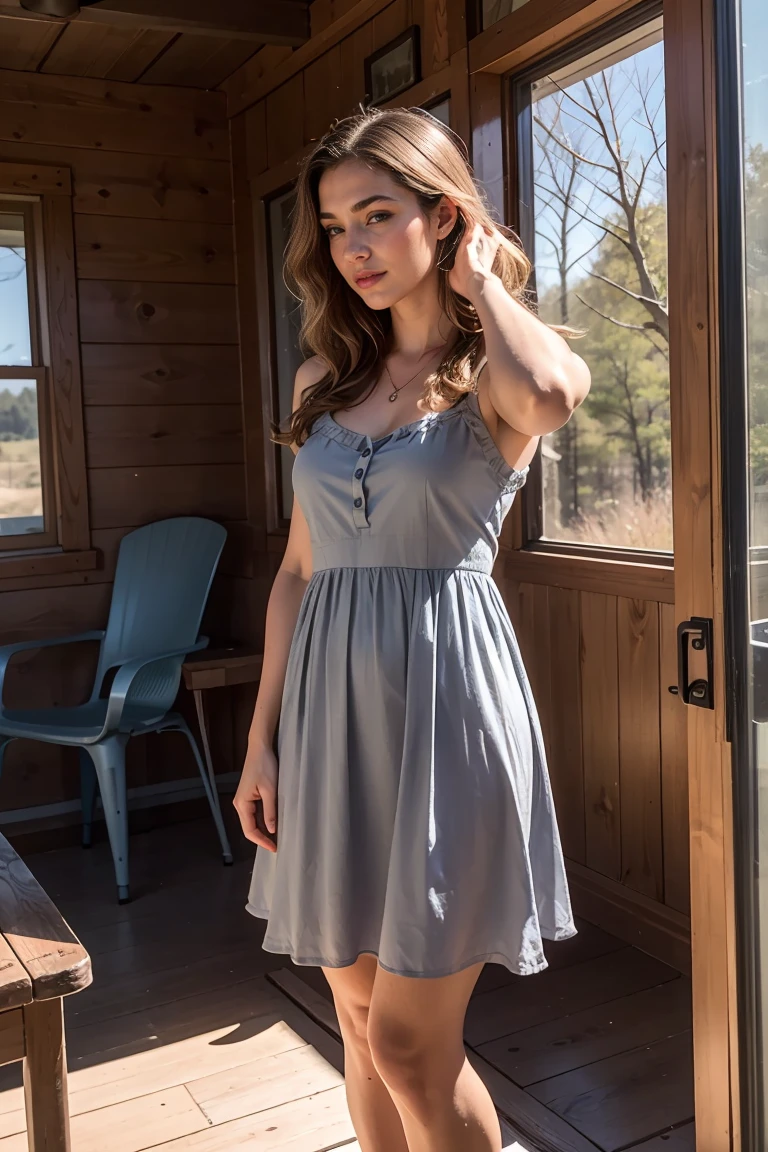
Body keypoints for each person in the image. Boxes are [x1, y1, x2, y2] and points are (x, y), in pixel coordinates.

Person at [233, 106, 591, 1152]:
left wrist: (484, 282)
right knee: (354, 1023)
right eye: (337, 226)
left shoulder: (493, 380)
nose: (352, 248)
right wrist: (262, 741)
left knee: (410, 1048)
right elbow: (299, 571)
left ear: (443, 219)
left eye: (379, 216)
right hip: (329, 732)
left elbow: (558, 395)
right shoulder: (321, 383)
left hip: (449, 723)